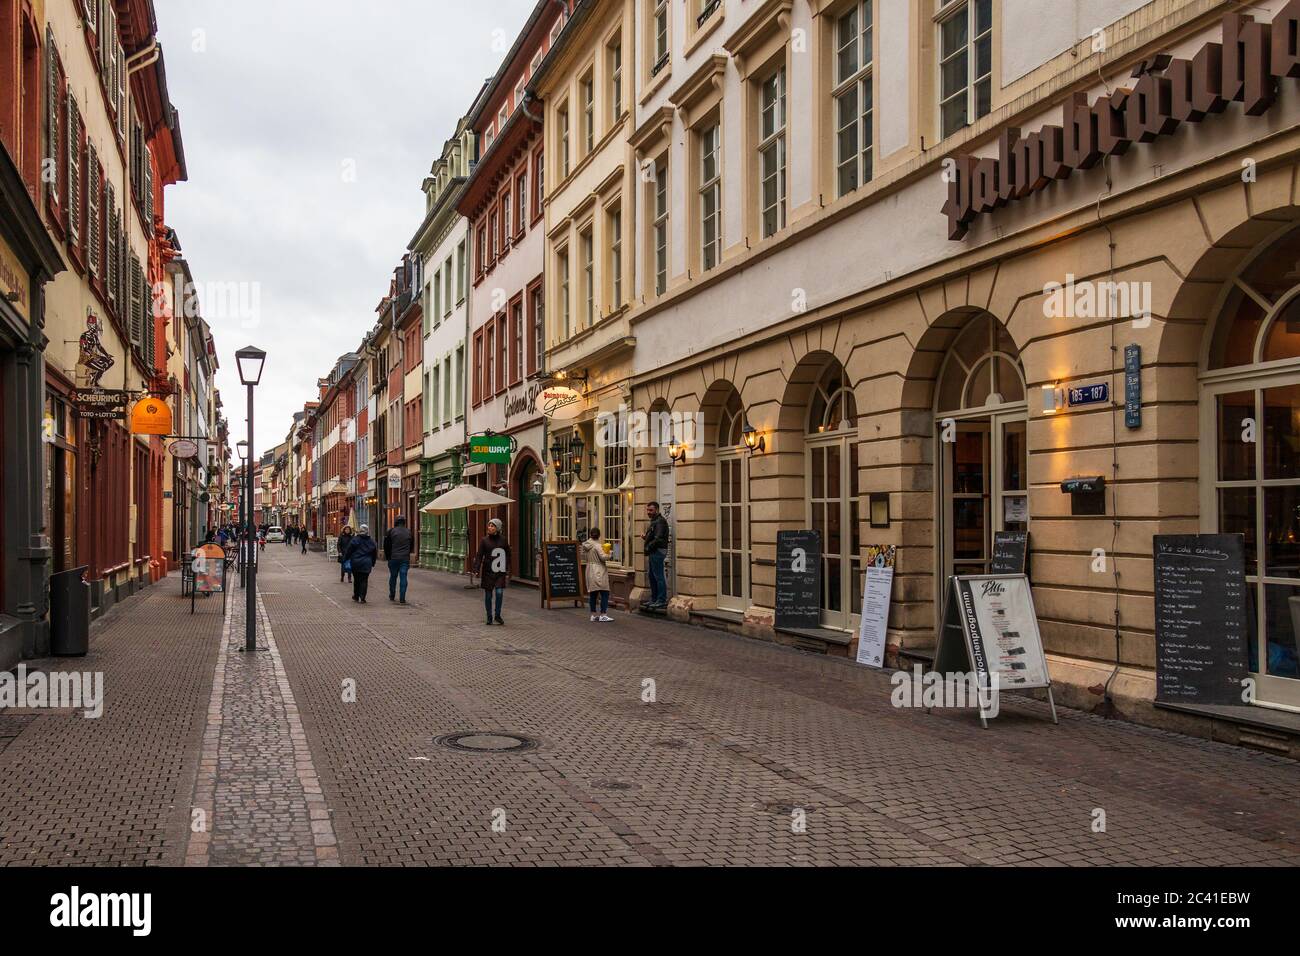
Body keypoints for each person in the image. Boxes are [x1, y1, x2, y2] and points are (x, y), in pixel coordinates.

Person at [474, 518, 511, 625]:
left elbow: (508, 553)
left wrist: (506, 566)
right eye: (489, 525)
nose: (489, 527)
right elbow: (479, 555)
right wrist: (476, 568)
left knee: (499, 592)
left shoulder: (503, 540)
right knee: (488, 595)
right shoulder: (484, 540)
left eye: (492, 526)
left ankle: (497, 615)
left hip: (499, 571)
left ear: (497, 528)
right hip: (488, 571)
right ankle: (489, 616)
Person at [642, 501, 670, 609]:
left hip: (657, 551)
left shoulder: (660, 521)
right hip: (654, 551)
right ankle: (654, 598)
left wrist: (649, 546)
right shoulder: (655, 521)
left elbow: (658, 538)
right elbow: (655, 536)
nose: (648, 512)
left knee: (658, 576)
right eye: (648, 510)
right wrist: (646, 538)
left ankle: (661, 600)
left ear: (657, 510)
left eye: (651, 510)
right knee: (652, 575)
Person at [583, 528, 613, 623]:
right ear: (599, 535)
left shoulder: (586, 544)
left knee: (593, 593)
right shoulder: (597, 546)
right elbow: (603, 557)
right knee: (605, 592)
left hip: (589, 569)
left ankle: (593, 615)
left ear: (590, 535)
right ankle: (603, 614)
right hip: (599, 570)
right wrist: (610, 553)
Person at [383, 515, 414, 604]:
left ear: (396, 522)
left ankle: (392, 594)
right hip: (404, 558)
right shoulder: (408, 532)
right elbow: (411, 545)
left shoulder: (391, 531)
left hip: (393, 558)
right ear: (404, 522)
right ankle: (402, 598)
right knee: (403, 577)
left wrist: (388, 557)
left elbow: (386, 546)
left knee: (393, 576)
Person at [344, 524, 378, 603]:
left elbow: (349, 551)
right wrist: (372, 563)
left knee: (356, 580)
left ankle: (356, 596)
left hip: (356, 562)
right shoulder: (371, 541)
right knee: (364, 580)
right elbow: (374, 554)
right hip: (366, 563)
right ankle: (362, 597)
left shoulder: (355, 540)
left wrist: (345, 559)